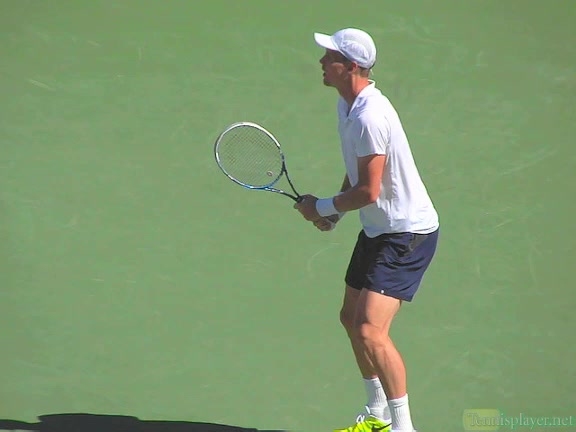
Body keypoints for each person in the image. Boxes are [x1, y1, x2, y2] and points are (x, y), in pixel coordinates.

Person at [294, 28, 440, 432]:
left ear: (351, 67)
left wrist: (322, 207)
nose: (322, 63)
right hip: (379, 230)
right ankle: (377, 415)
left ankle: (403, 428)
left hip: (406, 235)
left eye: (330, 58)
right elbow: (358, 172)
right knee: (349, 317)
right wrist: (335, 215)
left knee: (370, 330)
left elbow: (369, 191)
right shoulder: (348, 106)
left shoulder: (369, 116)